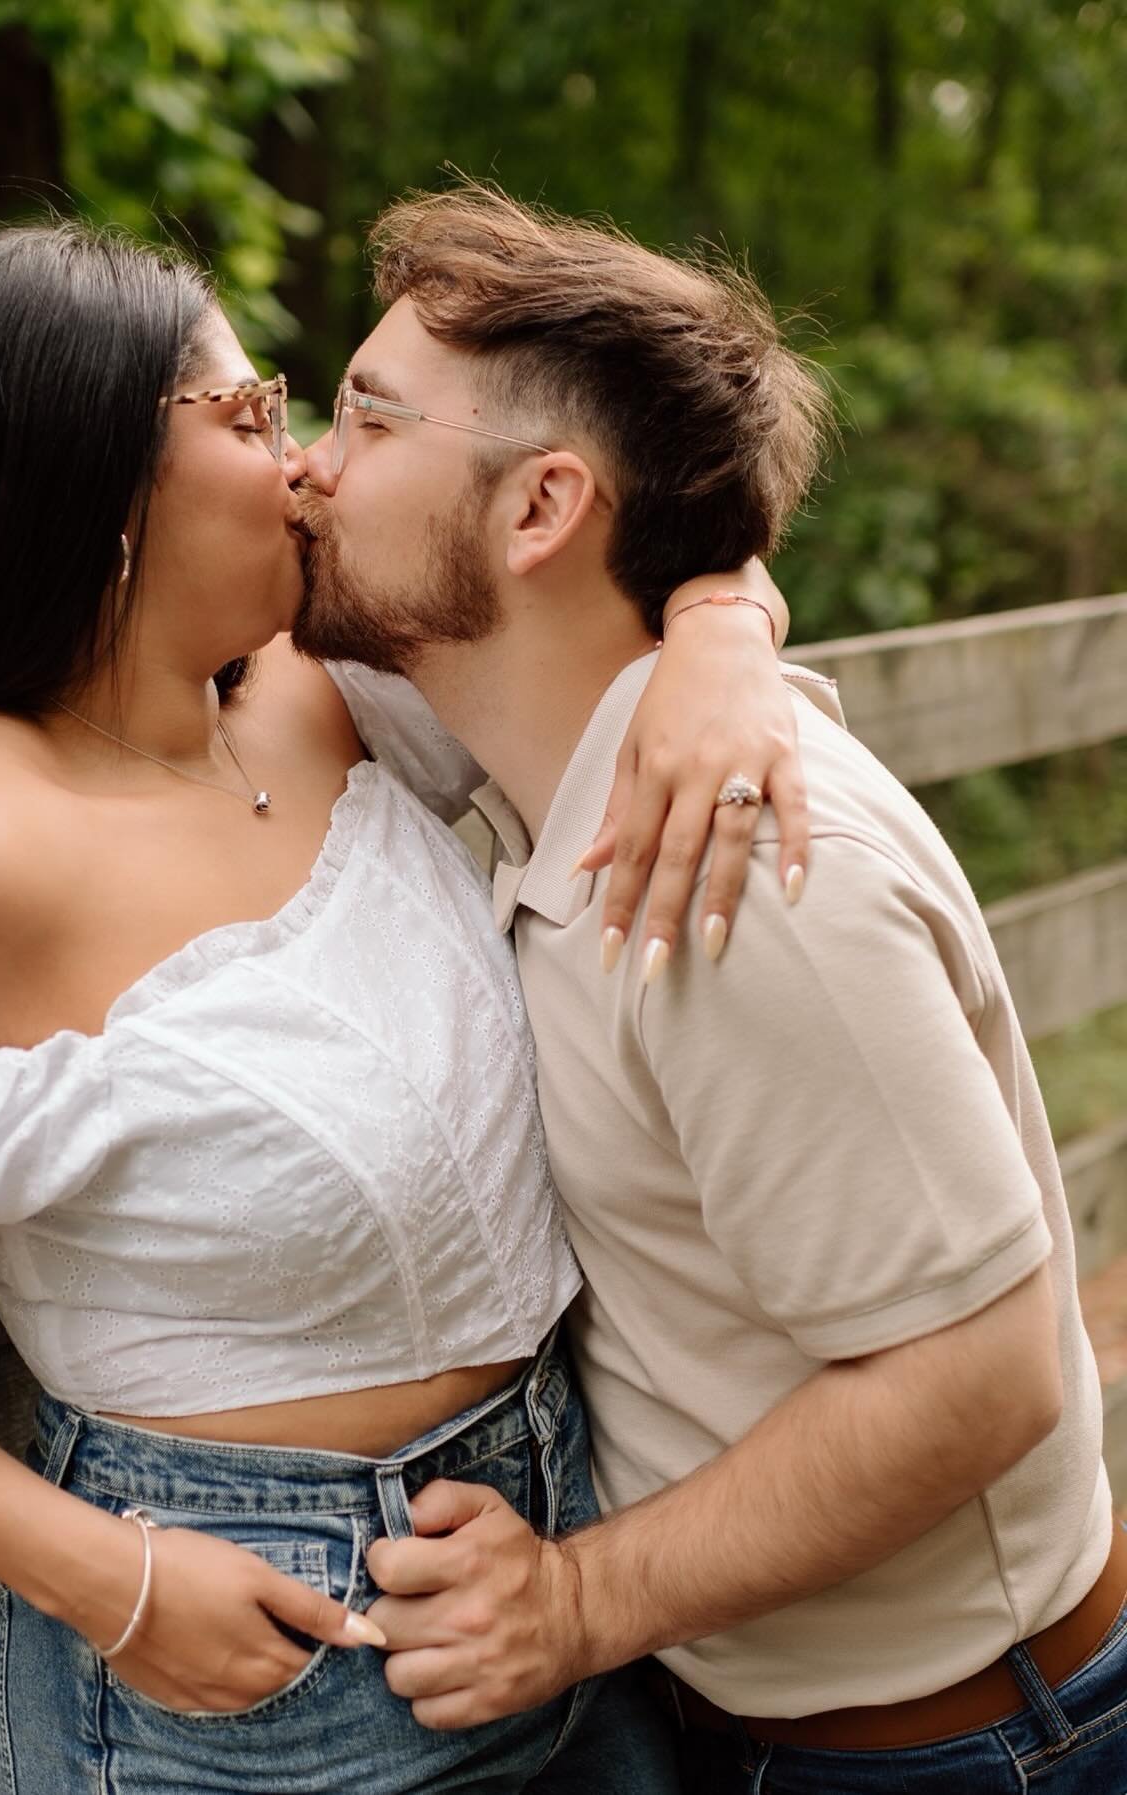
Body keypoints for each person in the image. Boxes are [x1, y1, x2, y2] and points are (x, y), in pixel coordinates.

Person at [0, 221, 813, 1794]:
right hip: (247, 1681)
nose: (300, 466)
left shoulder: (319, 693)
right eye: (249, 415)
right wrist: (111, 1581)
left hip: (561, 1575)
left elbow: (611, 519)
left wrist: (719, 635)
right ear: (96, 478)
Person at [290, 183, 1125, 1792]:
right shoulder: (535, 768)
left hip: (962, 1753)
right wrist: (721, 600)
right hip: (766, 1725)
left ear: (539, 511)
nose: (313, 467)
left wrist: (574, 1602)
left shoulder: (736, 876)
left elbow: (986, 1373)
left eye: (368, 418)